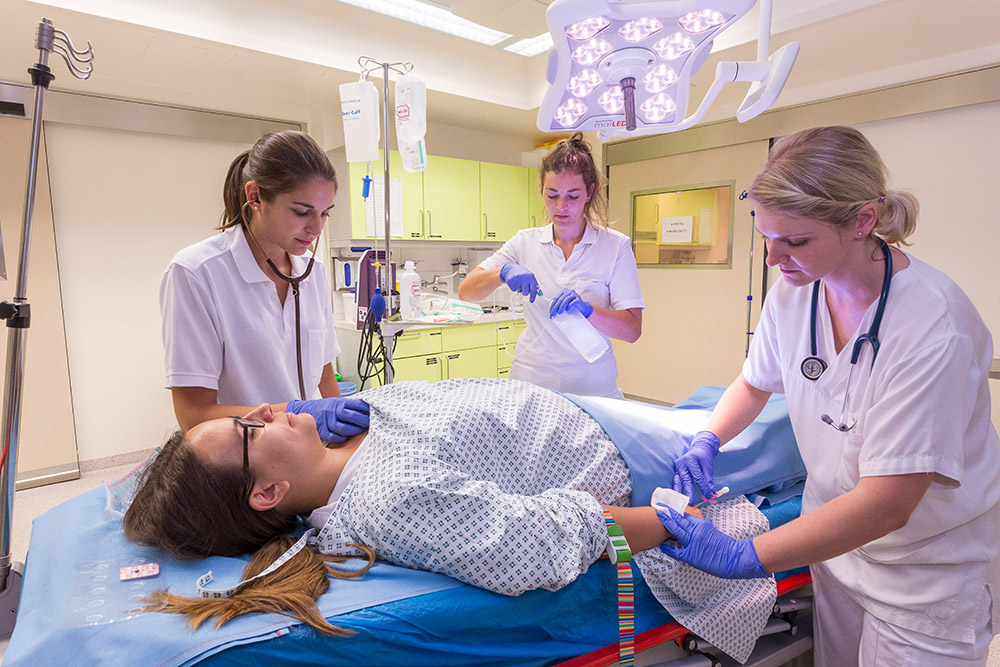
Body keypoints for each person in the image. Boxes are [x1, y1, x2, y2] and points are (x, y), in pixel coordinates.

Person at [660, 126, 1000, 666]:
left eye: (795, 241)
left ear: (863, 221)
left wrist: (746, 555)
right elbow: (754, 382)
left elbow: (887, 503)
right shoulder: (795, 292)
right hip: (837, 551)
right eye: (765, 237)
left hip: (926, 572)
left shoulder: (934, 328)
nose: (773, 259)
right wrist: (709, 436)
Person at [124, 379, 776, 652]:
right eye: (247, 428)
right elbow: (541, 544)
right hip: (633, 455)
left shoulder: (339, 429)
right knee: (811, 421)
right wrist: (668, 521)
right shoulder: (388, 500)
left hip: (585, 407)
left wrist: (344, 403)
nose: (264, 408)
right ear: (266, 494)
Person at [160, 130, 369, 442]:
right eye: (301, 212)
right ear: (255, 197)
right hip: (243, 459)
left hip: (308, 452)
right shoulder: (196, 273)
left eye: (325, 213)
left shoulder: (314, 272)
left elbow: (325, 373)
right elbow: (193, 414)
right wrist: (294, 412)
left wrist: (343, 433)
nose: (316, 228)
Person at [457, 133, 643, 398]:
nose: (560, 206)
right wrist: (503, 273)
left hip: (592, 388)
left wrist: (588, 310)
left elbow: (632, 330)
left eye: (572, 196)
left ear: (589, 192)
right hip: (531, 384)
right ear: (542, 191)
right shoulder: (525, 242)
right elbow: (467, 292)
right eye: (552, 195)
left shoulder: (615, 247)